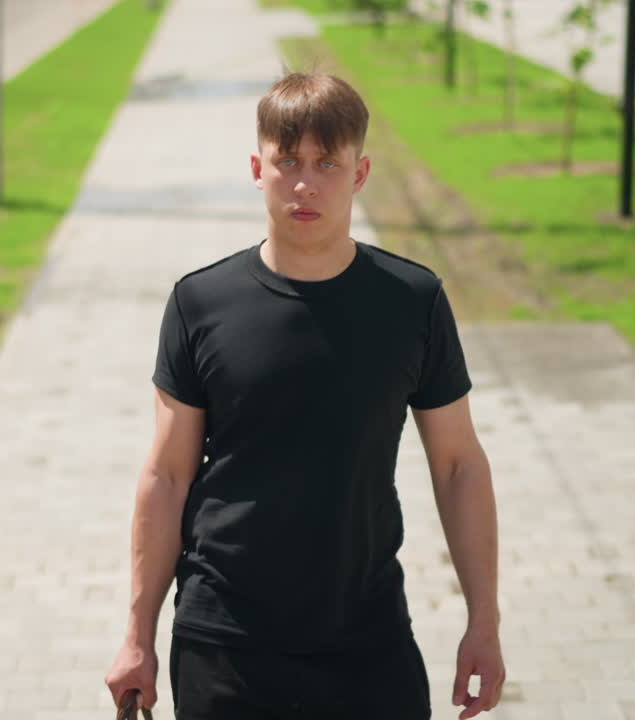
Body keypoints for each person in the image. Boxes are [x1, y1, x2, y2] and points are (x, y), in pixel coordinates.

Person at [104, 72, 504, 720]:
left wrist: (483, 621)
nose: (304, 183)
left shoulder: (413, 302)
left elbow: (458, 465)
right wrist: (136, 636)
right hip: (224, 641)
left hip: (367, 638)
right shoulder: (200, 303)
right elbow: (167, 475)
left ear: (361, 171)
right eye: (287, 162)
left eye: (326, 163)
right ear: (257, 167)